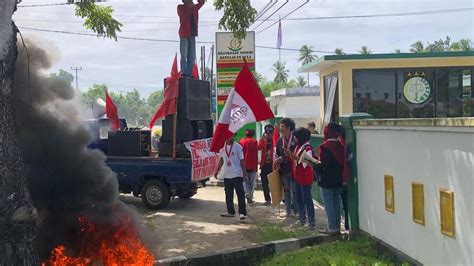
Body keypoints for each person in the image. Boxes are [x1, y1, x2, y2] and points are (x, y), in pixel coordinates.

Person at [314, 123, 346, 235]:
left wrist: (313, 164)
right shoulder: (341, 146)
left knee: (329, 204)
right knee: (337, 202)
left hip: (326, 180)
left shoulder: (325, 146)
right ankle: (337, 227)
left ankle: (332, 227)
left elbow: (323, 166)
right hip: (339, 179)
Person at [284, 127, 317, 230]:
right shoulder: (298, 147)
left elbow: (305, 164)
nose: (294, 138)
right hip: (298, 176)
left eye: (295, 137)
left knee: (307, 199)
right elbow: (296, 159)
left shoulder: (307, 148)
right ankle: (302, 219)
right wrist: (290, 154)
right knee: (299, 199)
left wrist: (294, 157)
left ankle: (311, 221)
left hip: (305, 177)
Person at [214, 135, 247, 221]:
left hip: (237, 174)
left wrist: (244, 172)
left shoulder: (238, 147)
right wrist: (217, 170)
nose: (232, 138)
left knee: (240, 194)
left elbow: (242, 160)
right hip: (227, 174)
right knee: (228, 194)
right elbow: (221, 159)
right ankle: (230, 211)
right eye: (230, 136)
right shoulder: (222, 147)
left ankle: (242, 213)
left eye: (233, 136)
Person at [274, 117, 298, 217]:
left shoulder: (295, 139)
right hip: (284, 170)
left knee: (295, 191)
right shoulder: (280, 140)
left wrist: (289, 154)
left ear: (288, 127)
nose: (281, 128)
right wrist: (278, 159)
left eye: (282, 126)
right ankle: (288, 211)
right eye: (280, 126)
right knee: (287, 191)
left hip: (294, 170)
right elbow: (278, 153)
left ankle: (296, 211)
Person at [177, 0, 205, 76]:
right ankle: (184, 72)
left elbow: (202, 2)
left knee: (192, 57)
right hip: (184, 34)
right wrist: (189, 6)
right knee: (184, 55)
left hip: (192, 35)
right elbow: (184, 17)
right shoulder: (180, 7)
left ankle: (189, 73)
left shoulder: (194, 7)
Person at [239, 129, 258, 204]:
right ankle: (249, 196)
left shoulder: (241, 142)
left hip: (243, 165)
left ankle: (248, 195)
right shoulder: (254, 142)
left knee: (245, 182)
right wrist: (255, 167)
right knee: (251, 183)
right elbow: (255, 155)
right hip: (252, 165)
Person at [258, 124, 275, 205]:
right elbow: (258, 148)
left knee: (273, 183)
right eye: (267, 133)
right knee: (264, 183)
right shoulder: (263, 140)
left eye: (270, 133)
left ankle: (276, 198)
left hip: (273, 165)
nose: (269, 135)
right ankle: (267, 199)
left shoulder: (275, 140)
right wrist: (262, 138)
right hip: (264, 165)